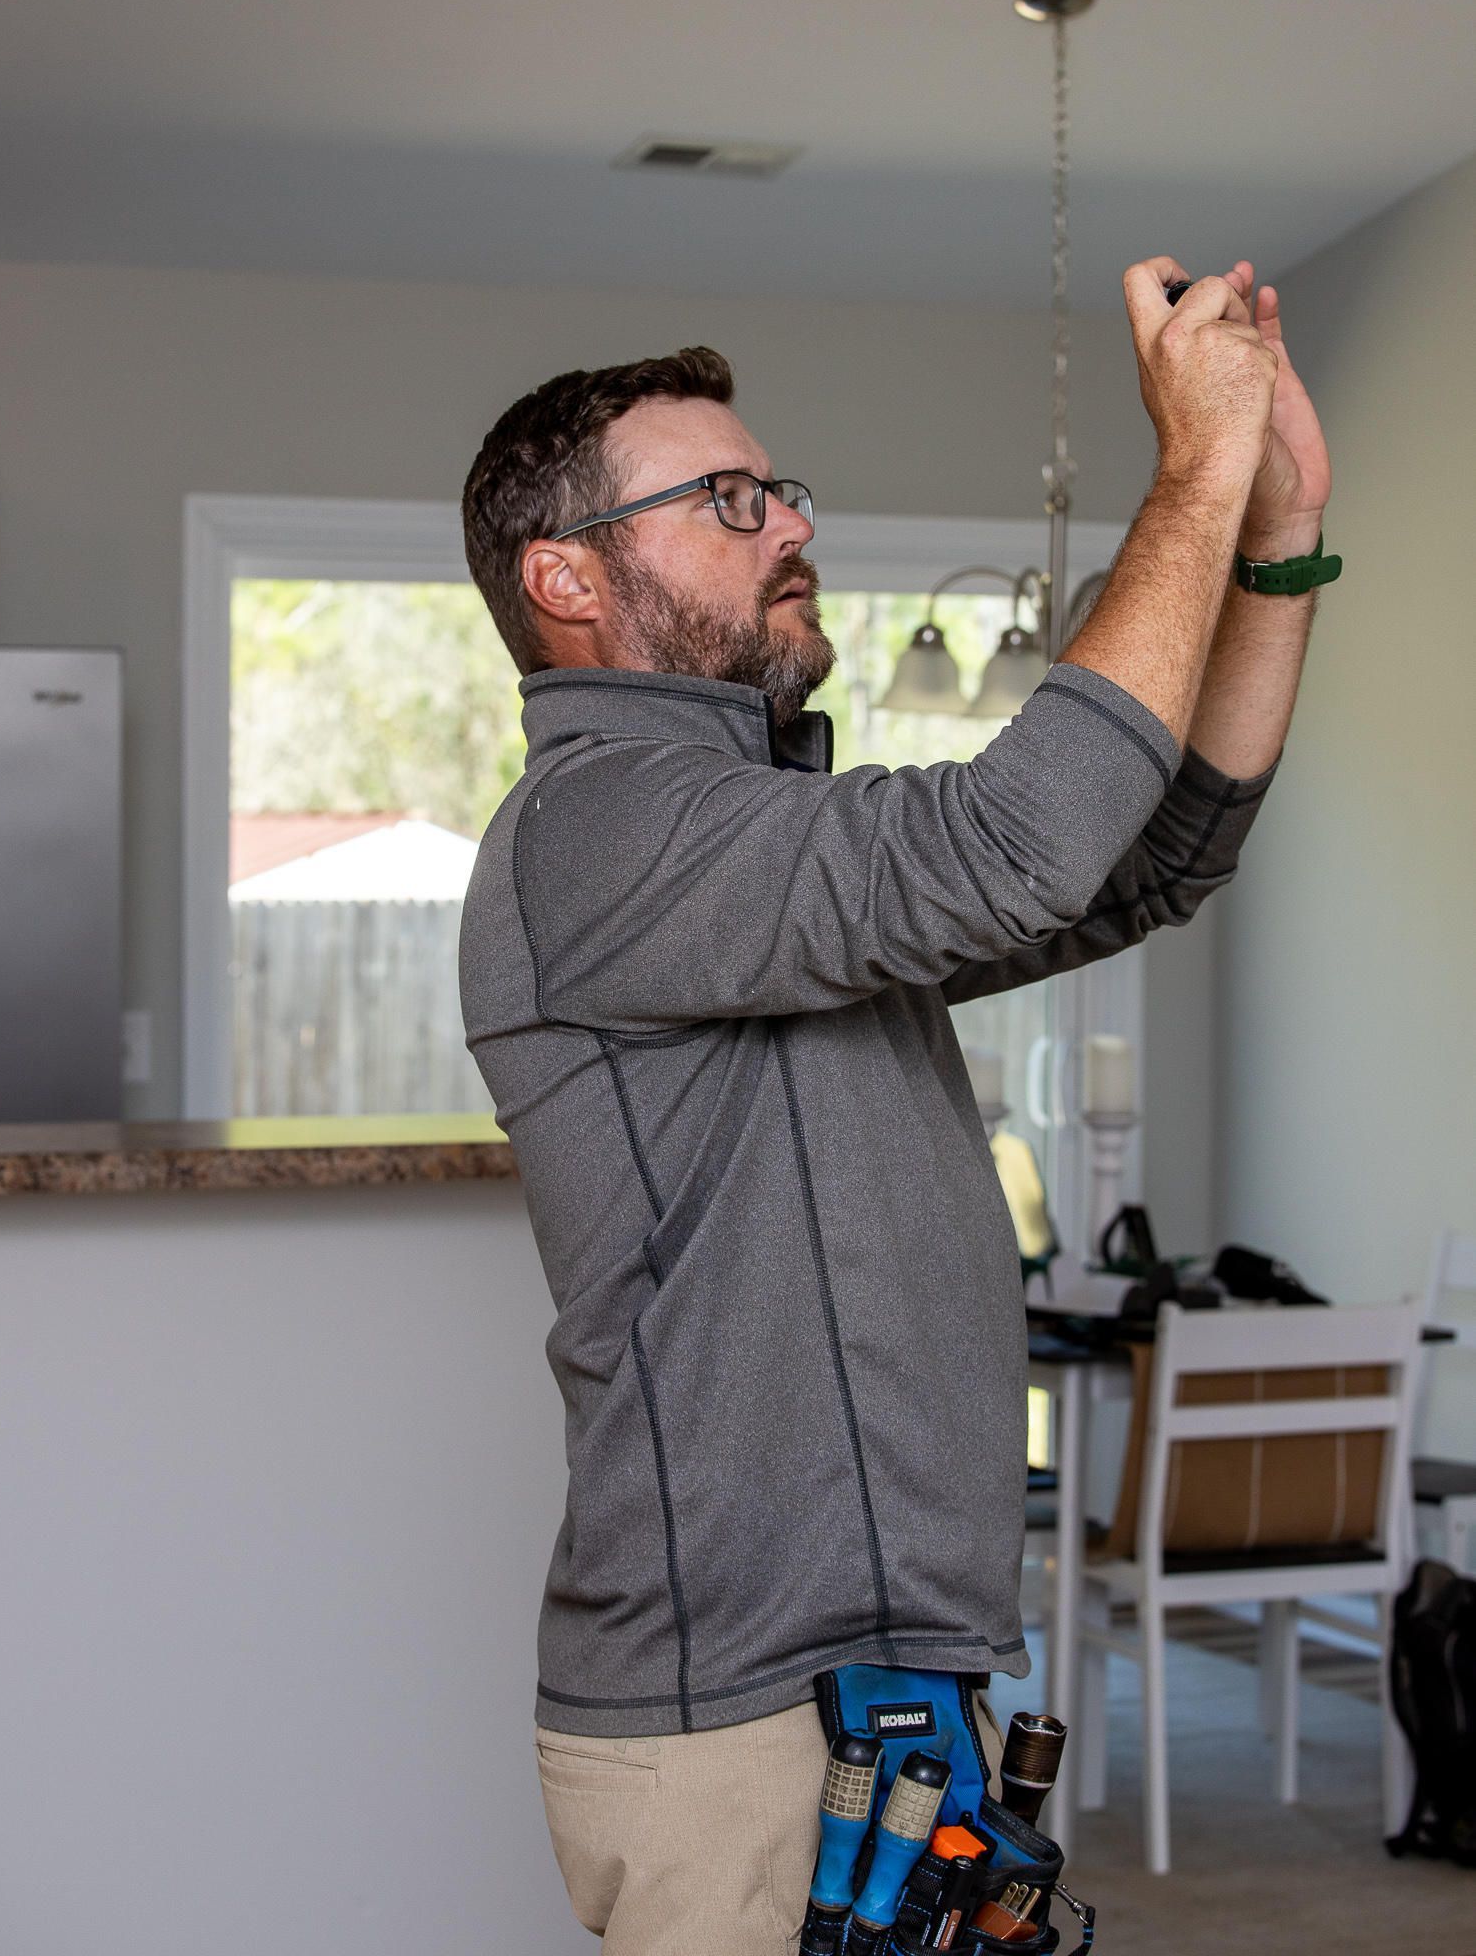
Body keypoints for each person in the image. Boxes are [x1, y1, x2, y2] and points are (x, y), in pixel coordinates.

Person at [457, 255, 1331, 1953]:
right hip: (734, 1726)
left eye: (780, 487)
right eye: (724, 498)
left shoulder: (758, 844)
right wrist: (1195, 474)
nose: (788, 523)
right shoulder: (601, 825)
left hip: (890, 1688)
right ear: (565, 576)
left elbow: (1148, 857)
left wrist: (1276, 545)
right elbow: (1015, 843)